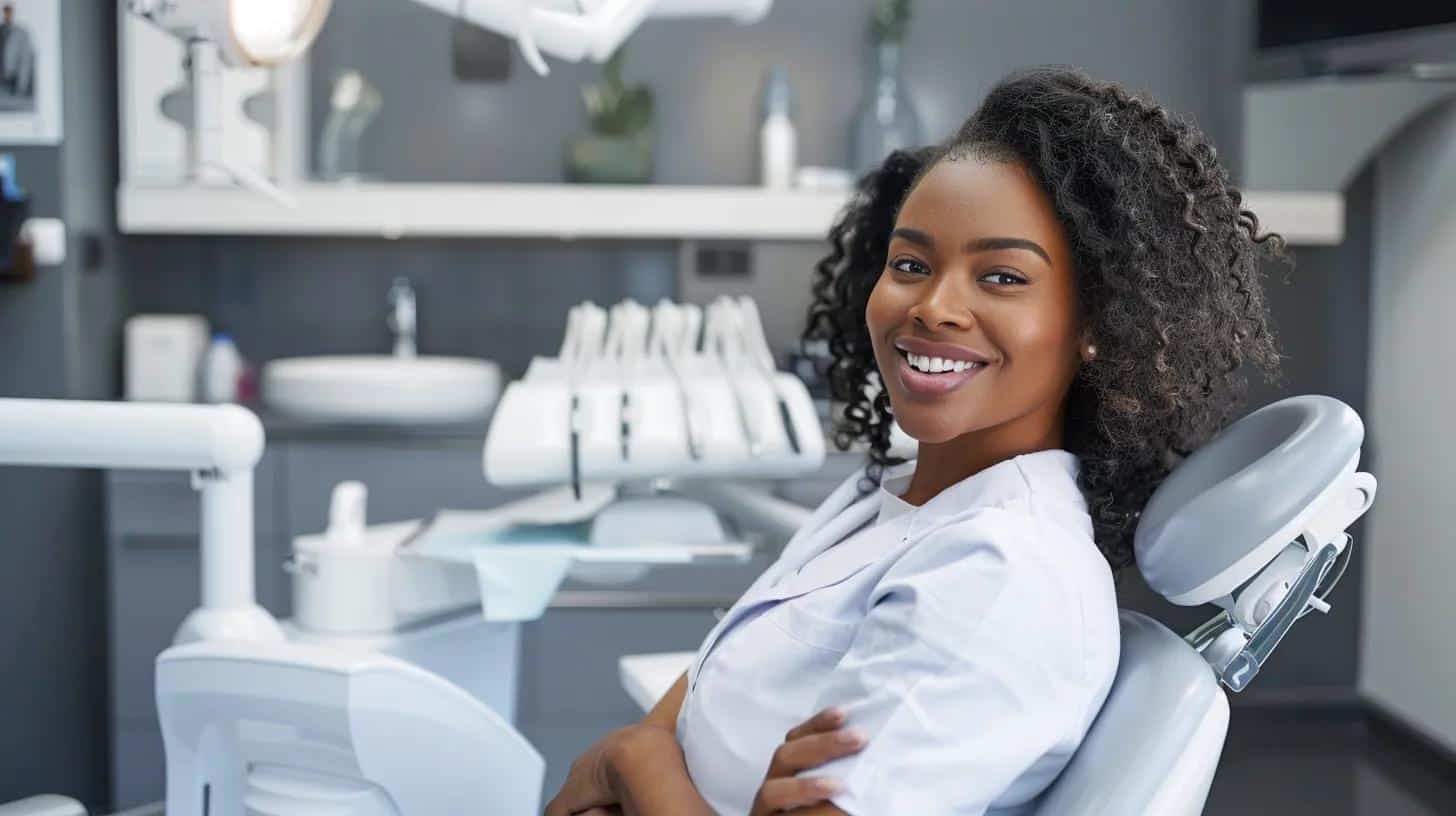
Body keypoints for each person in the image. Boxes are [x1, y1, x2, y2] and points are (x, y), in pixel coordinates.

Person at [547, 66, 1286, 815]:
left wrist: (630, 763)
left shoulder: (1003, 576)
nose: (933, 306)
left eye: (1001, 277)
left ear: (1095, 325)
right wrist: (641, 763)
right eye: (910, 265)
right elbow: (702, 691)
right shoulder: (893, 490)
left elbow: (647, 750)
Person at [0, 3, 35, 101]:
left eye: (9, 12)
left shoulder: (21, 33)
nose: (7, 15)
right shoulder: (1, 31)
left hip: (14, 78)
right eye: (5, 12)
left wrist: (22, 83)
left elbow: (25, 60)